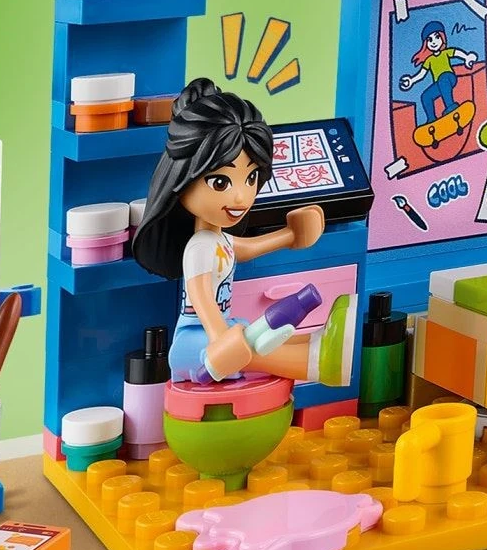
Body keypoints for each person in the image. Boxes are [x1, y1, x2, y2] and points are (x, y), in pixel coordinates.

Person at [133, 80, 355, 385]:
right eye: (221, 182)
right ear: (181, 181)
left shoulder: (217, 240)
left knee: (262, 338)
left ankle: (317, 340)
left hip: (218, 330)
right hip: (194, 342)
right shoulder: (198, 248)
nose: (240, 197)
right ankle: (316, 363)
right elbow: (200, 297)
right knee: (250, 349)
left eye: (250, 178)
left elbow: (247, 248)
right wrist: (219, 338)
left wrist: (290, 235)